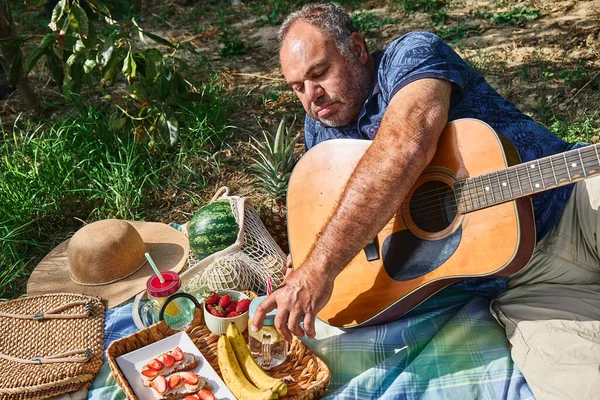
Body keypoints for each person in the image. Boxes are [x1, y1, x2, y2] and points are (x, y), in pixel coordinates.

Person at [251, 3, 600, 399]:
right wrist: (311, 254)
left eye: (320, 73)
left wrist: (316, 272)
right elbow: (329, 210)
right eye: (298, 87)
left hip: (578, 202)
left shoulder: (412, 55)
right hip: (526, 287)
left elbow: (405, 146)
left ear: (357, 48)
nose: (313, 95)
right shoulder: (321, 131)